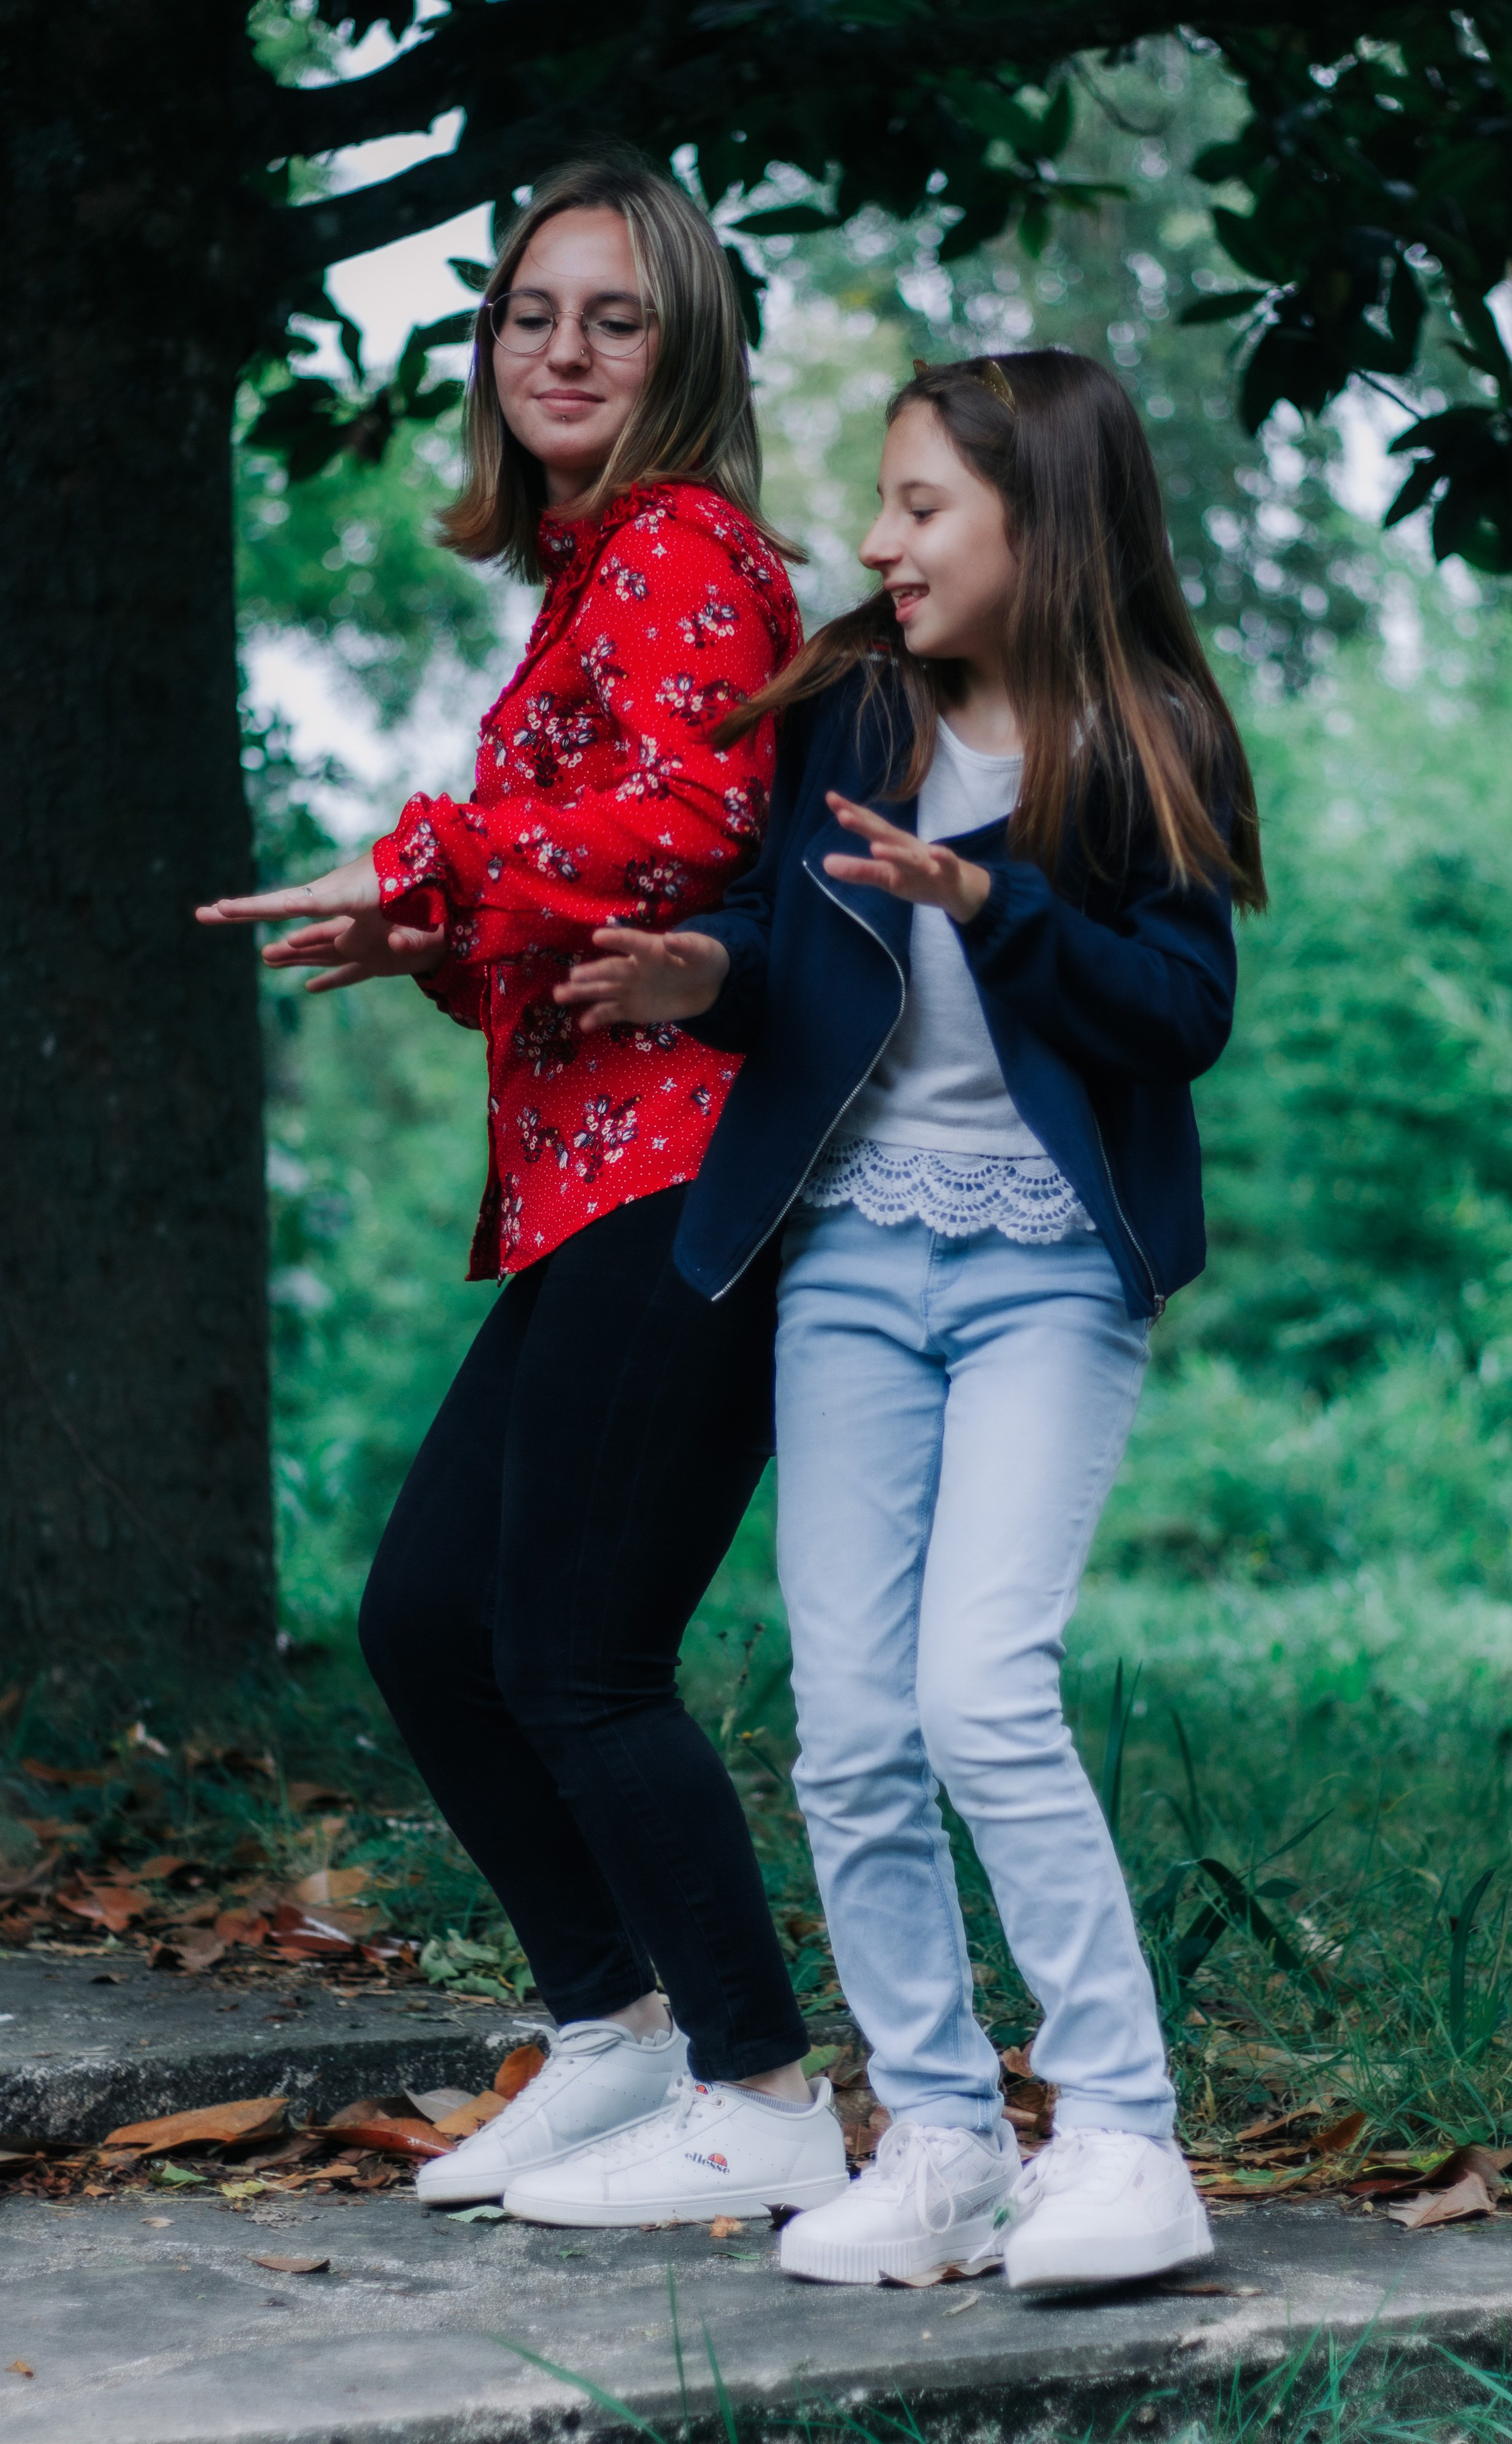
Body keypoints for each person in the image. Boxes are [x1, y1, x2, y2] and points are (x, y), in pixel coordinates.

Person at [547, 349, 1265, 2283]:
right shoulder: (858, 703)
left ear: (1050, 520)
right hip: (855, 1256)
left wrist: (993, 903)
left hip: (1045, 1269)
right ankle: (940, 2140)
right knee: (852, 1728)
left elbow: (1178, 1013)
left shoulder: (1148, 735)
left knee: (980, 1693)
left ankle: (1122, 2138)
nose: (878, 540)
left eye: (924, 506)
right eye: (882, 501)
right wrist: (711, 969)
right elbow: (795, 954)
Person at [196, 150, 848, 2228]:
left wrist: (428, 870)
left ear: (687, 349)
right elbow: (592, 882)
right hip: (585, 1190)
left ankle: (762, 2088)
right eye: (528, 315)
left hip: (687, 1185)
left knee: (577, 1652)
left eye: (616, 316)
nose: (560, 351)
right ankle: (613, 2037)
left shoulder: (681, 549)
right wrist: (440, 937)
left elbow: (682, 818)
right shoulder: (589, 572)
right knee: (424, 1624)